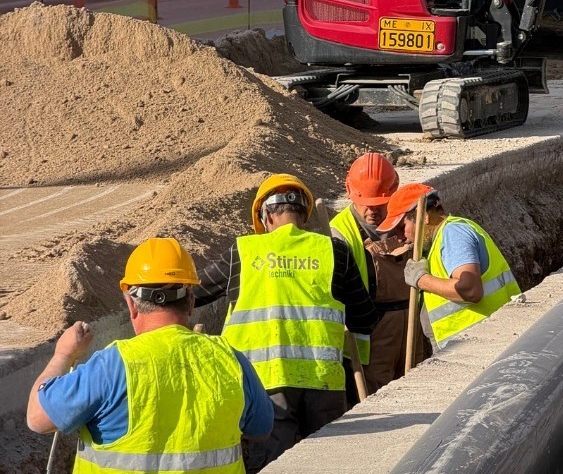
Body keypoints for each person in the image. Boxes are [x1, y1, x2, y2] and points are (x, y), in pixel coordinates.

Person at [26, 238, 273, 474]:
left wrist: (63, 355)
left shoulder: (113, 365)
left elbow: (38, 418)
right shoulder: (231, 360)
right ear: (190, 302)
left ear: (131, 304)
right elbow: (262, 428)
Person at [195, 173, 380, 471]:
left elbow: (194, 292)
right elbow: (366, 319)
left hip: (265, 386)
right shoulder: (334, 252)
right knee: (328, 465)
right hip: (324, 383)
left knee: (274, 464)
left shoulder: (243, 253)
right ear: (304, 215)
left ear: (266, 216)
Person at [378, 183, 520, 349]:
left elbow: (470, 290)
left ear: (424, 217)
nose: (400, 237)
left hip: (482, 346)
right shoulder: (438, 241)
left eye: (402, 228)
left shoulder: (453, 234)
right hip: (475, 345)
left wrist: (421, 280)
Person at [329, 152, 414, 395]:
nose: (372, 211)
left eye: (379, 204)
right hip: (370, 340)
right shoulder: (340, 234)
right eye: (365, 203)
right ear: (350, 193)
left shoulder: (404, 222)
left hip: (409, 328)